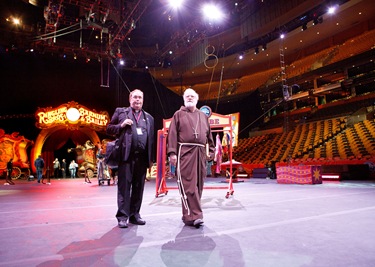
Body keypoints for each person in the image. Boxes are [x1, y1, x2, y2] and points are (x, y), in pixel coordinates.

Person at [167, 88, 215, 228]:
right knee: (188, 185)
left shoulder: (203, 116)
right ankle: (197, 215)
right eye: (187, 96)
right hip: (185, 152)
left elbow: (209, 137)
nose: (189, 98)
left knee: (199, 185)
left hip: (200, 153)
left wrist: (210, 153)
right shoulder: (178, 114)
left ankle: (189, 216)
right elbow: (172, 135)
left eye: (192, 96)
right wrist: (172, 153)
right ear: (183, 99)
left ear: (197, 99)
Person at [106, 89, 154, 228]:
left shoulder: (149, 118)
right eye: (135, 97)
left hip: (142, 158)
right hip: (126, 157)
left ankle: (135, 215)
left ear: (143, 100)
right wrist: (121, 125)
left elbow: (151, 140)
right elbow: (108, 128)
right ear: (130, 99)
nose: (137, 100)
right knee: (124, 187)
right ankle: (122, 216)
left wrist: (151, 159)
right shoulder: (121, 112)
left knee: (139, 188)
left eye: (140, 97)